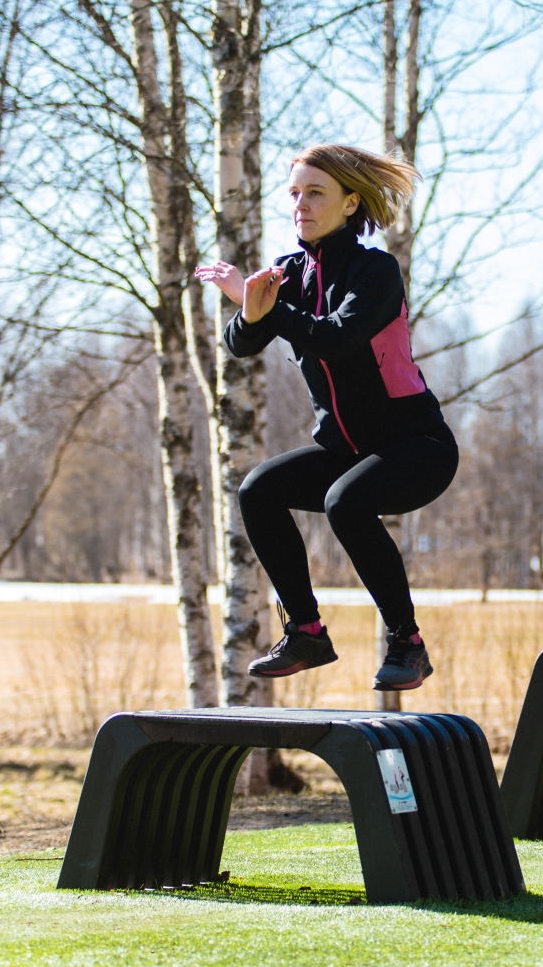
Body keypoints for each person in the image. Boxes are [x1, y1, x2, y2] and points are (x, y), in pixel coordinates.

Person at [194, 144, 455, 692]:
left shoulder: (376, 269)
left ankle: (407, 643)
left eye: (316, 193)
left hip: (417, 447)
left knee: (345, 502)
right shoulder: (287, 273)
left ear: (350, 202)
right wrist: (248, 308)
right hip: (347, 448)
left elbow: (336, 338)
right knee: (258, 490)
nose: (301, 205)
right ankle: (307, 632)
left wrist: (264, 303)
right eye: (295, 194)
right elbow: (241, 344)